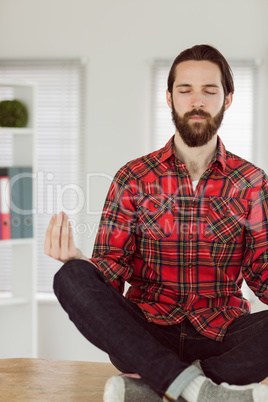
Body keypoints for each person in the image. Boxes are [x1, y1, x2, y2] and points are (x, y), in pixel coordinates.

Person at [44, 44, 268, 402]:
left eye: (209, 91)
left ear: (227, 100)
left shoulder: (253, 181)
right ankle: (200, 390)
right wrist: (81, 263)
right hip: (146, 332)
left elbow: (262, 274)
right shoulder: (133, 177)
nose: (197, 101)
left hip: (222, 336)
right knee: (70, 276)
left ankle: (157, 387)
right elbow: (110, 270)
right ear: (169, 97)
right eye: (185, 90)